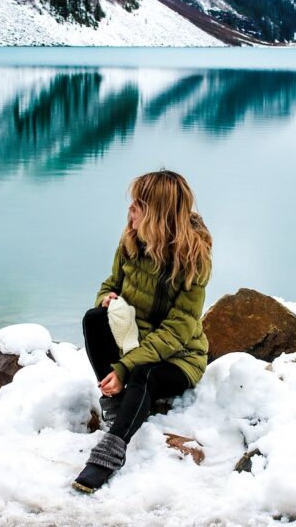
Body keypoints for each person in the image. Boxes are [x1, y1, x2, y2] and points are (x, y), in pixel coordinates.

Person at [72, 169, 212, 493]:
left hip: (178, 357)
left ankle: (111, 449)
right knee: (94, 319)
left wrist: (124, 367)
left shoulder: (192, 260)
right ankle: (120, 405)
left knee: (143, 375)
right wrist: (106, 298)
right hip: (135, 340)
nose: (130, 210)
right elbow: (111, 284)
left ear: (158, 213)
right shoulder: (131, 241)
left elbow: (177, 333)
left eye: (138, 204)